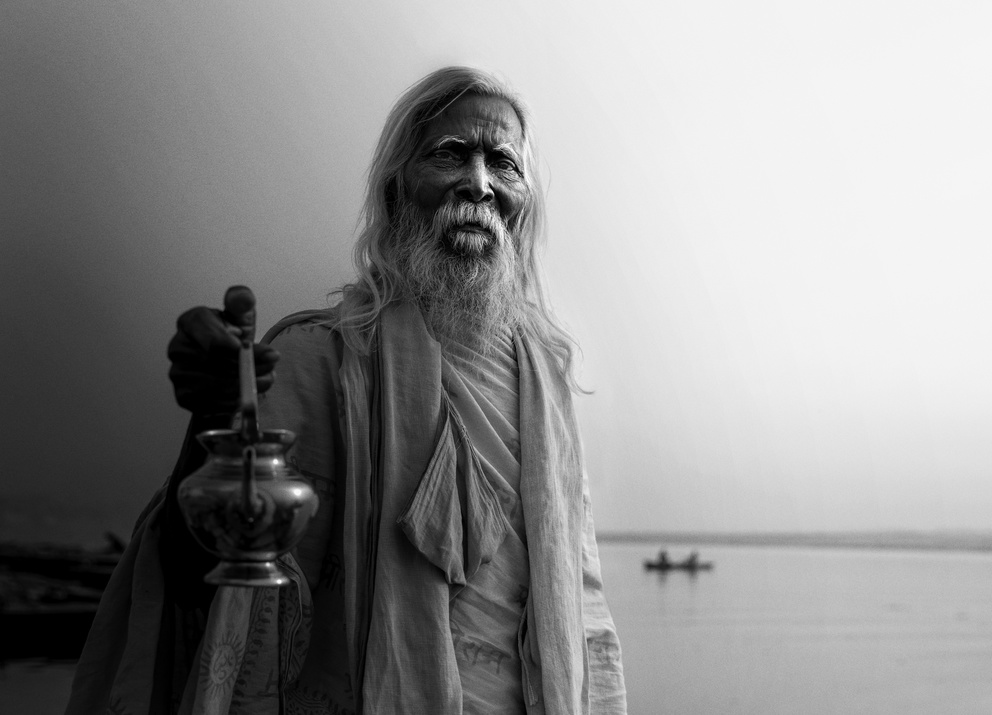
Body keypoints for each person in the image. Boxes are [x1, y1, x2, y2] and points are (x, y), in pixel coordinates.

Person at [67, 66, 627, 715]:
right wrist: (213, 420)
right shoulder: (318, 359)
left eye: (502, 162)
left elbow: (587, 620)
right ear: (396, 187)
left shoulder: (549, 389)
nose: (478, 183)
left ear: (524, 198)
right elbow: (206, 568)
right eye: (451, 154)